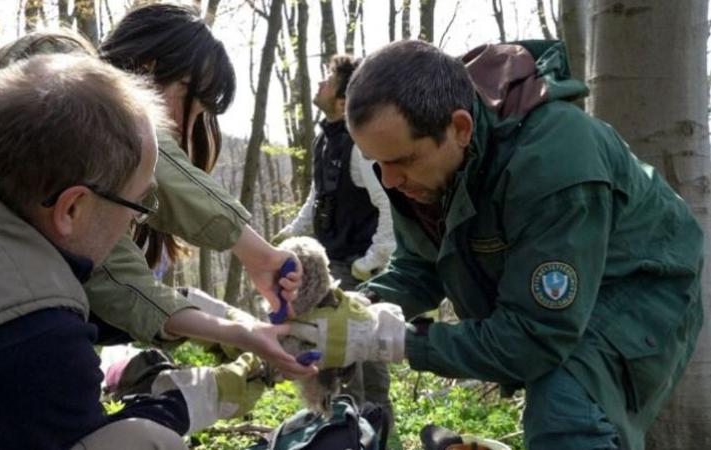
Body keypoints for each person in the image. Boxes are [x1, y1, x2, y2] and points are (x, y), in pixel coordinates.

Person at [285, 40, 703, 450]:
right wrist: (351, 311)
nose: (389, 180)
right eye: (378, 164)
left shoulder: (554, 162)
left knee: (564, 405)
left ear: (460, 128)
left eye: (402, 162)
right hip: (560, 294)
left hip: (640, 285)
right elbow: (420, 268)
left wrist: (392, 339)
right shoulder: (419, 171)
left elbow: (534, 338)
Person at [0, 53, 276, 450]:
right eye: (136, 206)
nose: (132, 224)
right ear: (71, 208)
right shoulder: (28, 342)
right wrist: (183, 402)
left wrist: (213, 320)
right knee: (146, 441)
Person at [0, 4, 309, 365]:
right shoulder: (55, 61)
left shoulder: (73, 175)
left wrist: (243, 334)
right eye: (188, 99)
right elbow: (152, 152)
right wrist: (261, 256)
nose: (184, 126)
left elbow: (119, 280)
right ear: (147, 69)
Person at [272, 54, 395, 423]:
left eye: (328, 78)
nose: (320, 83)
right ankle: (348, 436)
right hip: (333, 264)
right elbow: (317, 198)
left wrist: (371, 261)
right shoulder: (325, 141)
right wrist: (288, 235)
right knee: (341, 367)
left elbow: (387, 202)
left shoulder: (361, 147)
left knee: (363, 367)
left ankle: (374, 438)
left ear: (343, 101)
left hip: (359, 269)